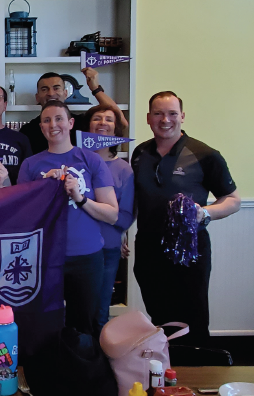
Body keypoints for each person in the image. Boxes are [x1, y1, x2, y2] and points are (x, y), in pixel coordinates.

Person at [132, 91, 240, 345]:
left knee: (193, 318)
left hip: (190, 251)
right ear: (148, 118)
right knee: (159, 316)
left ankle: (196, 374)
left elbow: (233, 200)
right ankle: (166, 376)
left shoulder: (205, 154)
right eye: (158, 113)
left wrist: (205, 213)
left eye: (172, 113)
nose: (165, 119)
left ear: (182, 116)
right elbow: (135, 200)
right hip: (148, 249)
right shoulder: (139, 153)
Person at [18, 100, 118, 336]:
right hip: (45, 258)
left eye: (59, 119)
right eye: (46, 120)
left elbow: (112, 213)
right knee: (43, 326)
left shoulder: (91, 160)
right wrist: (43, 188)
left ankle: (82, 371)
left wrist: (80, 197)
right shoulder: (31, 164)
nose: (53, 125)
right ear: (41, 128)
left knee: (83, 326)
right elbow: (22, 218)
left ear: (71, 123)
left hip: (86, 257)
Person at [81, 105, 135, 332]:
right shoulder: (75, 163)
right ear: (87, 126)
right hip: (76, 249)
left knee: (100, 313)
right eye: (97, 118)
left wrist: (89, 207)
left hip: (107, 250)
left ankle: (99, 363)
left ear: (116, 130)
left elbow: (124, 217)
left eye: (109, 120)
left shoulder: (124, 169)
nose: (102, 123)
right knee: (75, 311)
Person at [20, 69, 129, 155]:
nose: (51, 93)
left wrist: (95, 88)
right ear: (37, 97)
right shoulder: (28, 131)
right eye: (44, 89)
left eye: (56, 88)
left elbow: (122, 123)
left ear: (66, 93)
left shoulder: (81, 123)